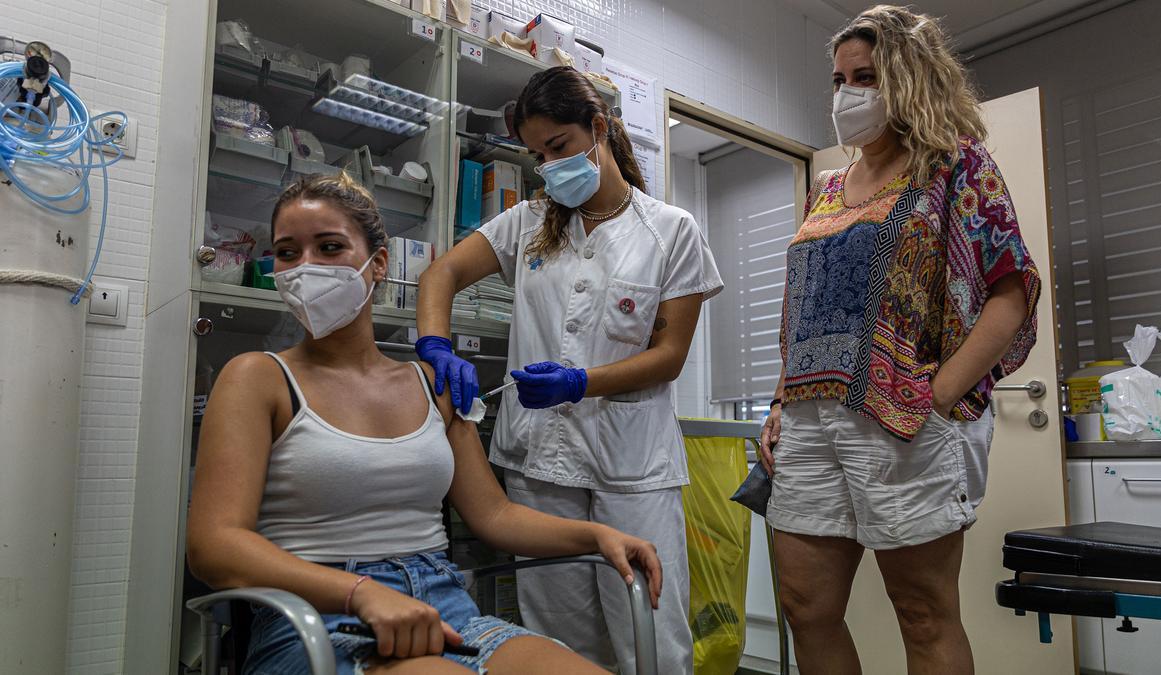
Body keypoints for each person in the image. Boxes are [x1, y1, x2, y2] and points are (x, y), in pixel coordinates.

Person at [186, 173, 663, 675]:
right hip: (317, 618)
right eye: (287, 252)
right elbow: (214, 546)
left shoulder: (433, 385)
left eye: (329, 247)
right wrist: (360, 593)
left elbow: (495, 515)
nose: (306, 266)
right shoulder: (258, 378)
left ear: (379, 263)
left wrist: (597, 535)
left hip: (448, 608)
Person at [758, 6, 1040, 674]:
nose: (848, 94)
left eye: (866, 77)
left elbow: (1009, 292)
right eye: (839, 80)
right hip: (810, 419)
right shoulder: (826, 190)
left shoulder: (955, 166)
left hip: (904, 418)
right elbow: (804, 306)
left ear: (909, 78)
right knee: (805, 605)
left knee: (921, 611)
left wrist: (938, 395)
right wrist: (779, 401)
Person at [416, 66, 723, 673]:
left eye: (559, 147)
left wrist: (580, 383)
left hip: (631, 465)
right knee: (558, 641)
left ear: (598, 128)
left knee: (651, 637)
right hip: (539, 462)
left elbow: (669, 357)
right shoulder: (529, 223)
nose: (551, 167)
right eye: (538, 156)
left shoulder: (669, 231)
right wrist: (435, 347)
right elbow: (440, 274)